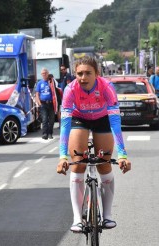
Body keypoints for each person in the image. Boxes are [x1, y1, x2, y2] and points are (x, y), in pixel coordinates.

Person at [56, 56, 131, 233]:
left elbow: (115, 123)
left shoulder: (107, 87)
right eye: (79, 73)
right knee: (78, 163)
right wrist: (62, 157)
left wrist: (122, 155)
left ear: (97, 74)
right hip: (79, 119)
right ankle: (77, 218)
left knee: (104, 165)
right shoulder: (70, 89)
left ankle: (107, 215)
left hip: (102, 119)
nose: (83, 77)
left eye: (88, 73)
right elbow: (65, 125)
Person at [35, 68, 57, 139]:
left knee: (51, 119)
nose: (44, 74)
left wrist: (52, 79)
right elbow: (37, 94)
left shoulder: (51, 82)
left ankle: (50, 133)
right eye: (43, 73)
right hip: (43, 104)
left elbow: (56, 87)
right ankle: (45, 134)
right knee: (44, 119)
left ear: (48, 74)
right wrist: (38, 103)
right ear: (41, 74)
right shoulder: (39, 83)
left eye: (45, 73)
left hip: (51, 103)